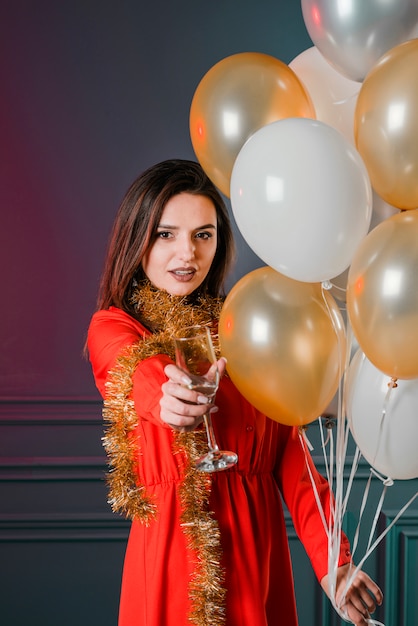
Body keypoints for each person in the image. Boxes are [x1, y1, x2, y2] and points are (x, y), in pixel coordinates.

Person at [86, 159, 383, 626]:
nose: (187, 253)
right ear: (136, 238)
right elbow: (130, 367)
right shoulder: (116, 327)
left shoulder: (246, 329)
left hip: (258, 554)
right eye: (166, 234)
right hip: (174, 555)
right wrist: (168, 391)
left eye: (203, 234)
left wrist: (335, 564)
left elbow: (291, 456)